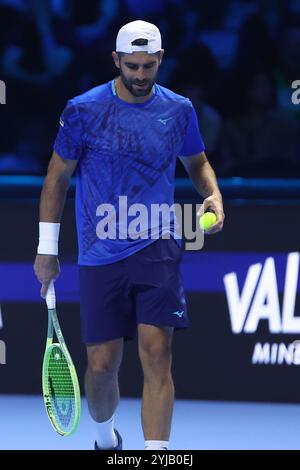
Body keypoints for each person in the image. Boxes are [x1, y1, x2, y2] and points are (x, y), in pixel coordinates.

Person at [34, 20, 224, 451]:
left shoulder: (179, 110)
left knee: (157, 354)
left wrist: (212, 193)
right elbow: (55, 180)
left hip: (157, 244)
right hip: (100, 253)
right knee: (102, 365)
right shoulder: (82, 109)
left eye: (149, 66)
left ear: (160, 60)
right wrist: (47, 250)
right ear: (116, 61)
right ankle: (106, 440)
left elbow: (197, 164)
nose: (141, 76)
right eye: (132, 66)